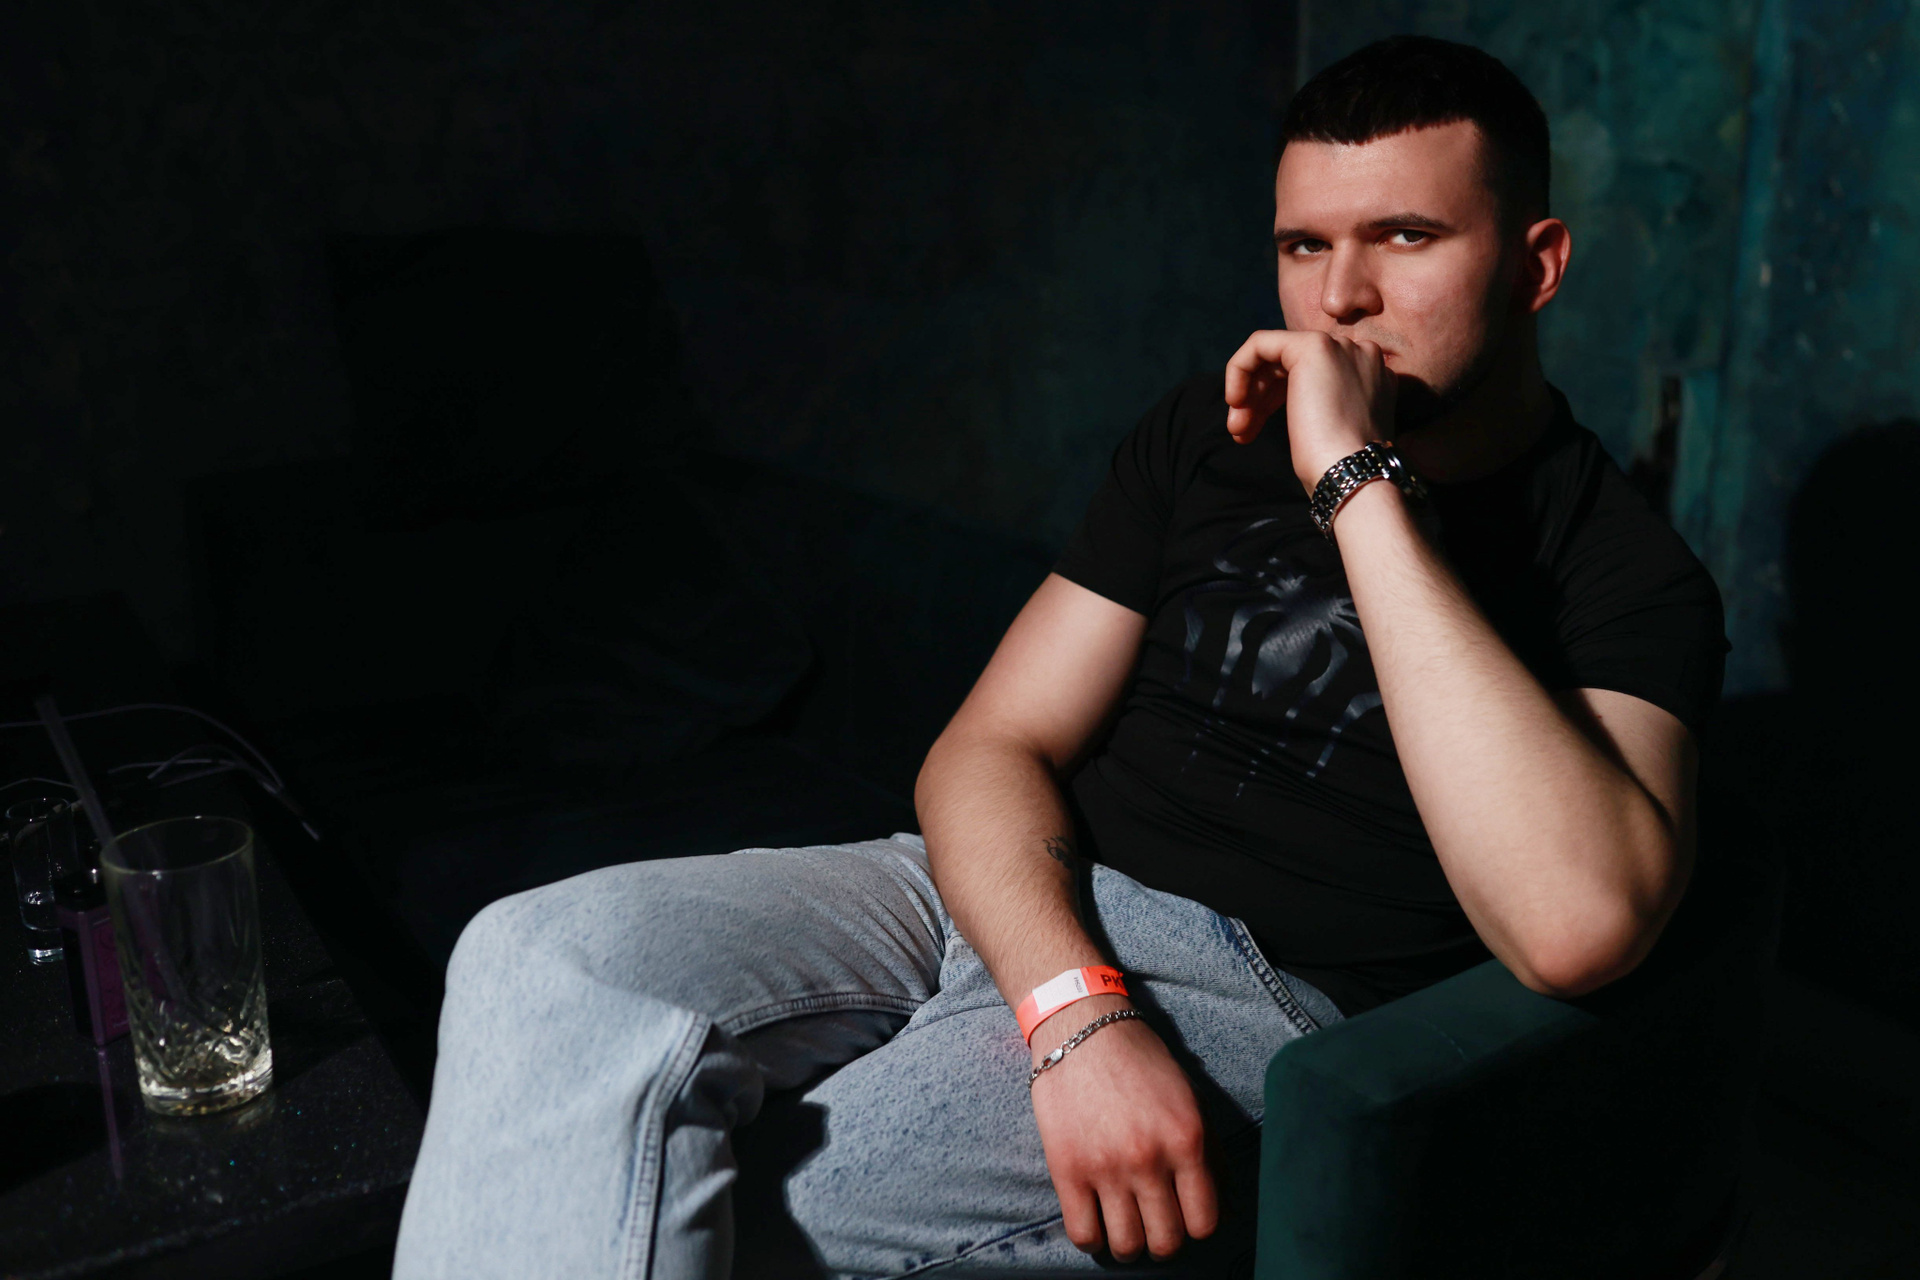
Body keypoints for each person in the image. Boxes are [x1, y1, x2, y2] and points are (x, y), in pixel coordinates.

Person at [392, 34, 1727, 1279]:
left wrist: (1352, 476)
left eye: (1406, 237)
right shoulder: (1204, 439)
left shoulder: (1621, 569)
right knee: (537, 958)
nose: (1339, 298)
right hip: (1002, 887)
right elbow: (990, 745)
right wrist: (1071, 1006)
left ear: (1537, 264)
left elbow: (1577, 928)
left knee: (746, 1207)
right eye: (1303, 245)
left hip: (1252, 987)